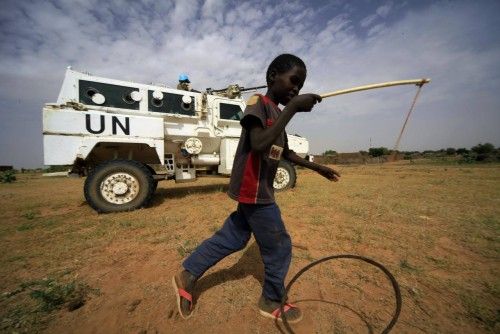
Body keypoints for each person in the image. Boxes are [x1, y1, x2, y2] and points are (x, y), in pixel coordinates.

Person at [172, 54, 340, 323]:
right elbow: (259, 143)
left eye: (300, 86)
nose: (295, 89)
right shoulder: (257, 104)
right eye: (293, 82)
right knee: (279, 245)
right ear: (273, 76)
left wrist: (318, 168)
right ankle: (271, 299)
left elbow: (284, 152)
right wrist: (294, 107)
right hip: (254, 189)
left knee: (235, 237)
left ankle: (188, 273)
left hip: (259, 190)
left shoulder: (277, 114)